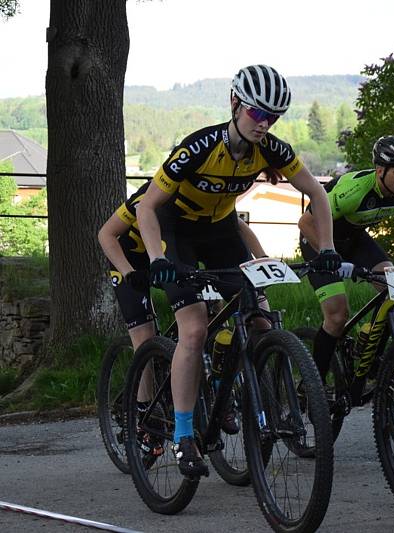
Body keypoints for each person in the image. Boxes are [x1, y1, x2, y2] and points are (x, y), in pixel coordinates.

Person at [135, 65, 340, 478]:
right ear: (234, 103)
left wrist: (329, 248)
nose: (264, 124)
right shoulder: (199, 147)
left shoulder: (272, 149)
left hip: (222, 230)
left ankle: (238, 390)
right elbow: (146, 206)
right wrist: (158, 259)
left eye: (273, 117)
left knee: (260, 314)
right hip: (178, 231)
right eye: (256, 114)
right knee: (193, 329)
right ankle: (184, 435)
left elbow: (316, 192)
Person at [97, 180, 270, 455]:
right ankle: (145, 413)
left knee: (212, 315)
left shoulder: (197, 197)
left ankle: (218, 389)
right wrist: (128, 272)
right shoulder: (148, 199)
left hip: (172, 255)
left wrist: (263, 258)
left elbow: (234, 225)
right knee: (144, 337)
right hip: (132, 260)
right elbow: (106, 234)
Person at [298, 136, 394, 384]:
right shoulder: (354, 192)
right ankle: (314, 382)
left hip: (354, 238)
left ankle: (372, 360)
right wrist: (330, 256)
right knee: (338, 315)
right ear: (380, 171)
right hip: (318, 239)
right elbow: (306, 222)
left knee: (391, 286)